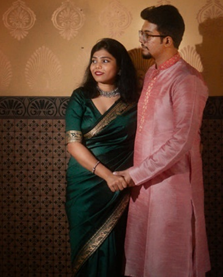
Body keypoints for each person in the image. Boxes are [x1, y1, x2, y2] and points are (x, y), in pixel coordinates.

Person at [116, 5, 210, 277]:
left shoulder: (187, 80)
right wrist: (137, 177)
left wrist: (134, 175)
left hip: (172, 188)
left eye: (147, 34)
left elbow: (182, 141)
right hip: (144, 187)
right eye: (141, 33)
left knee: (167, 261)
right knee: (142, 259)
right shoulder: (152, 76)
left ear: (167, 40)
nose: (141, 40)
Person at [65, 38, 139, 276]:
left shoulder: (136, 101)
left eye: (105, 60)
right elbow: (73, 144)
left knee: (116, 249)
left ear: (120, 67)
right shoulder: (80, 97)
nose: (97, 66)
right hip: (84, 187)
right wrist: (107, 175)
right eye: (94, 60)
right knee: (85, 249)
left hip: (120, 186)